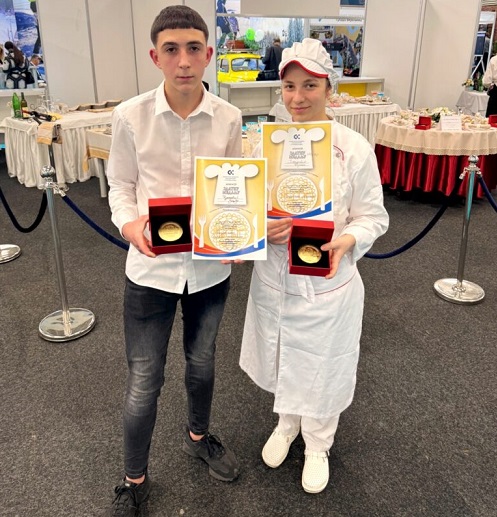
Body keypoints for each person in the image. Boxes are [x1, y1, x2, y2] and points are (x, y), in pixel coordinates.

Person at [106, 5, 242, 516]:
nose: (183, 60)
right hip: (151, 270)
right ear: (155, 57)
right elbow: (121, 184)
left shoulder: (228, 118)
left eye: (192, 49)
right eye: (171, 49)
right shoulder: (130, 116)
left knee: (202, 364)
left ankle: (197, 437)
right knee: (144, 380)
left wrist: (240, 233)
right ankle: (133, 479)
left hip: (209, 269)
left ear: (208, 54)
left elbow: (235, 188)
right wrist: (129, 225)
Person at [240, 38, 389, 495]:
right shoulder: (263, 145)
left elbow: (373, 216)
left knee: (322, 364)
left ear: (329, 88)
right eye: (289, 86)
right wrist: (260, 224)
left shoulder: (353, 149)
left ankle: (319, 443)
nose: (298, 97)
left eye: (309, 85)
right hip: (275, 277)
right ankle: (287, 424)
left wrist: (348, 240)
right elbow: (243, 208)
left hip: (328, 282)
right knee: (283, 354)